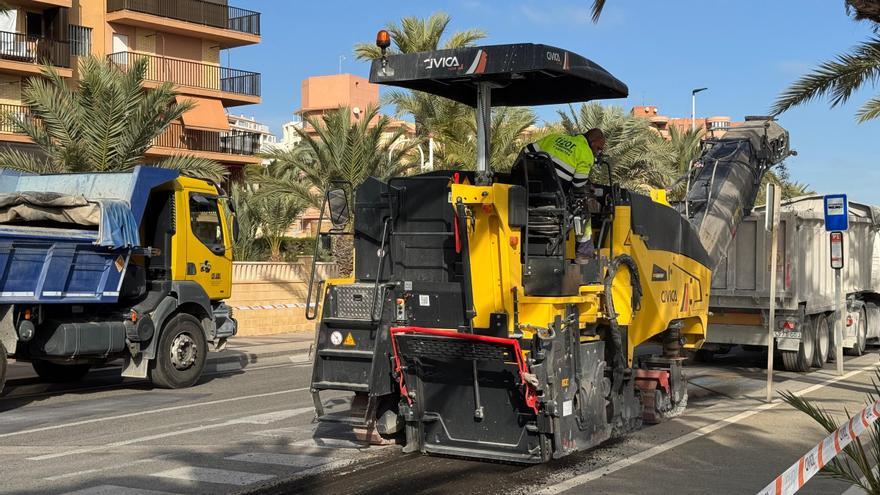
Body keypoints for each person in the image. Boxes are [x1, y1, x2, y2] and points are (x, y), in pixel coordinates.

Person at [524, 128, 606, 262]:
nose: (598, 152)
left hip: (528, 197)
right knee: (582, 208)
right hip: (555, 203)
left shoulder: (554, 137)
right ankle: (584, 254)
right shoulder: (585, 153)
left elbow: (526, 152)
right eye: (598, 148)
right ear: (592, 141)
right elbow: (578, 186)